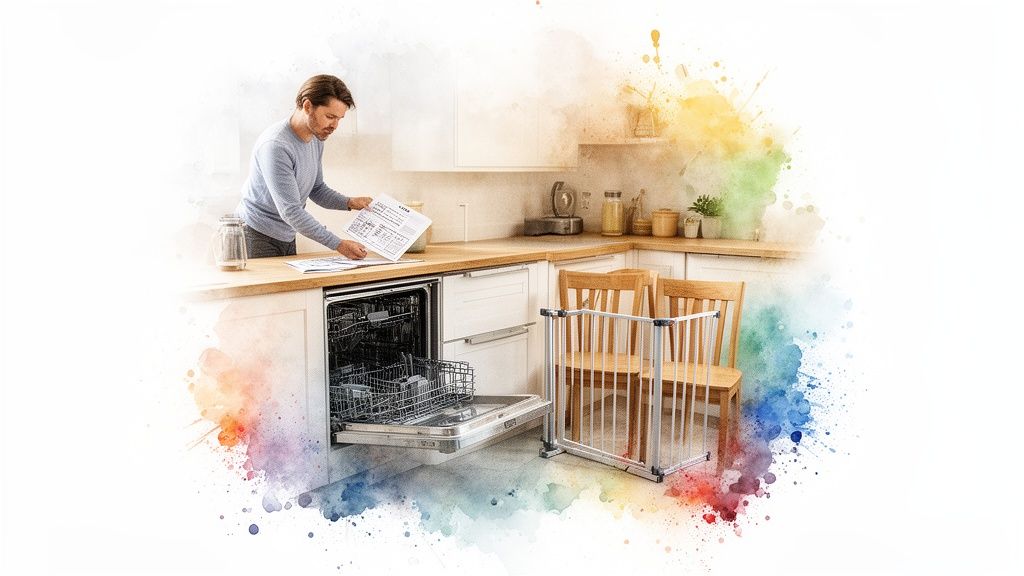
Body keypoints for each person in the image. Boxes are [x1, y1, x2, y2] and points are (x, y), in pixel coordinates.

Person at [236, 74, 372, 259]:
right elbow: (291, 210)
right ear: (307, 106)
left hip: (286, 235)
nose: (335, 125)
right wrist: (338, 244)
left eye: (339, 119)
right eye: (330, 117)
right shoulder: (276, 146)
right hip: (255, 235)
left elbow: (317, 189)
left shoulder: (316, 138)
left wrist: (350, 202)